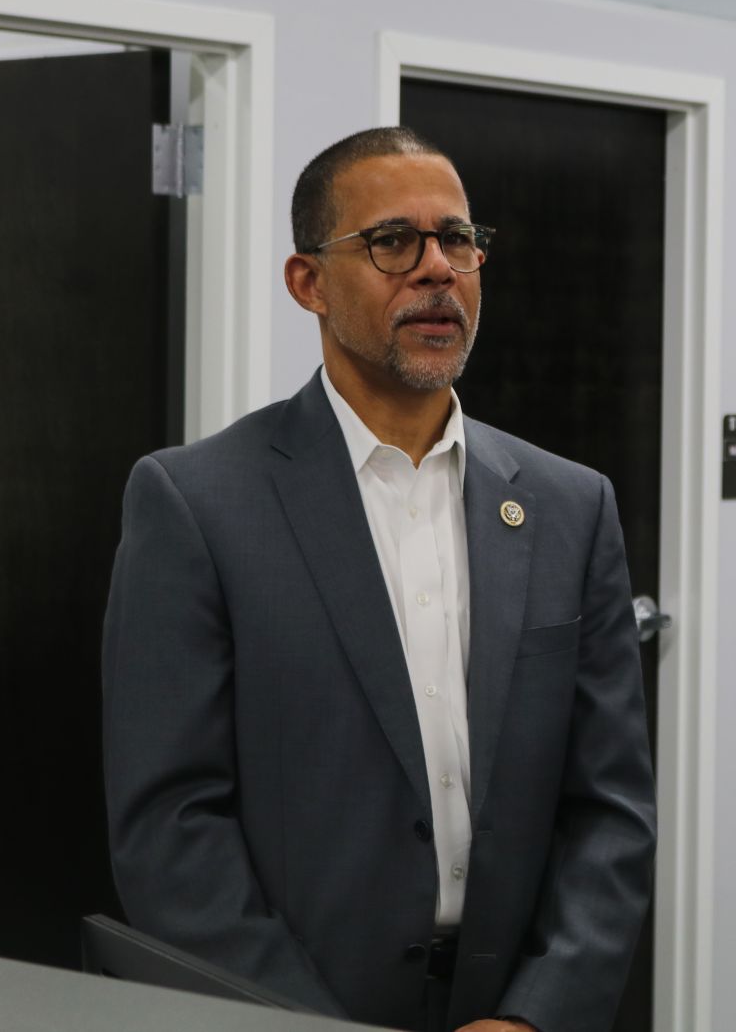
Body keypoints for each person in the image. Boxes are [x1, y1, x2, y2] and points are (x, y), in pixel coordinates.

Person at [103, 127, 656, 1032]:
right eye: (393, 241)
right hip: (292, 1007)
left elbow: (612, 810)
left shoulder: (569, 506)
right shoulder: (197, 504)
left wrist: (536, 1015)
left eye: (460, 240)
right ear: (308, 282)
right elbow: (171, 829)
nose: (438, 269)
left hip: (507, 1009)